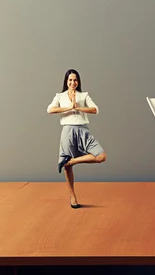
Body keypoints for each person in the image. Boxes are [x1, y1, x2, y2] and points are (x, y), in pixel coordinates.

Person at [47, 68, 106, 208]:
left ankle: (72, 161)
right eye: (70, 80)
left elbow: (95, 109)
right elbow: (50, 109)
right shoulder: (60, 96)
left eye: (75, 80)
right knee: (67, 169)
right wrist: (69, 107)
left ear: (78, 82)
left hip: (83, 130)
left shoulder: (84, 95)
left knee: (101, 156)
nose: (73, 82)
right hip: (67, 130)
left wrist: (79, 108)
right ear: (66, 82)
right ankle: (72, 197)